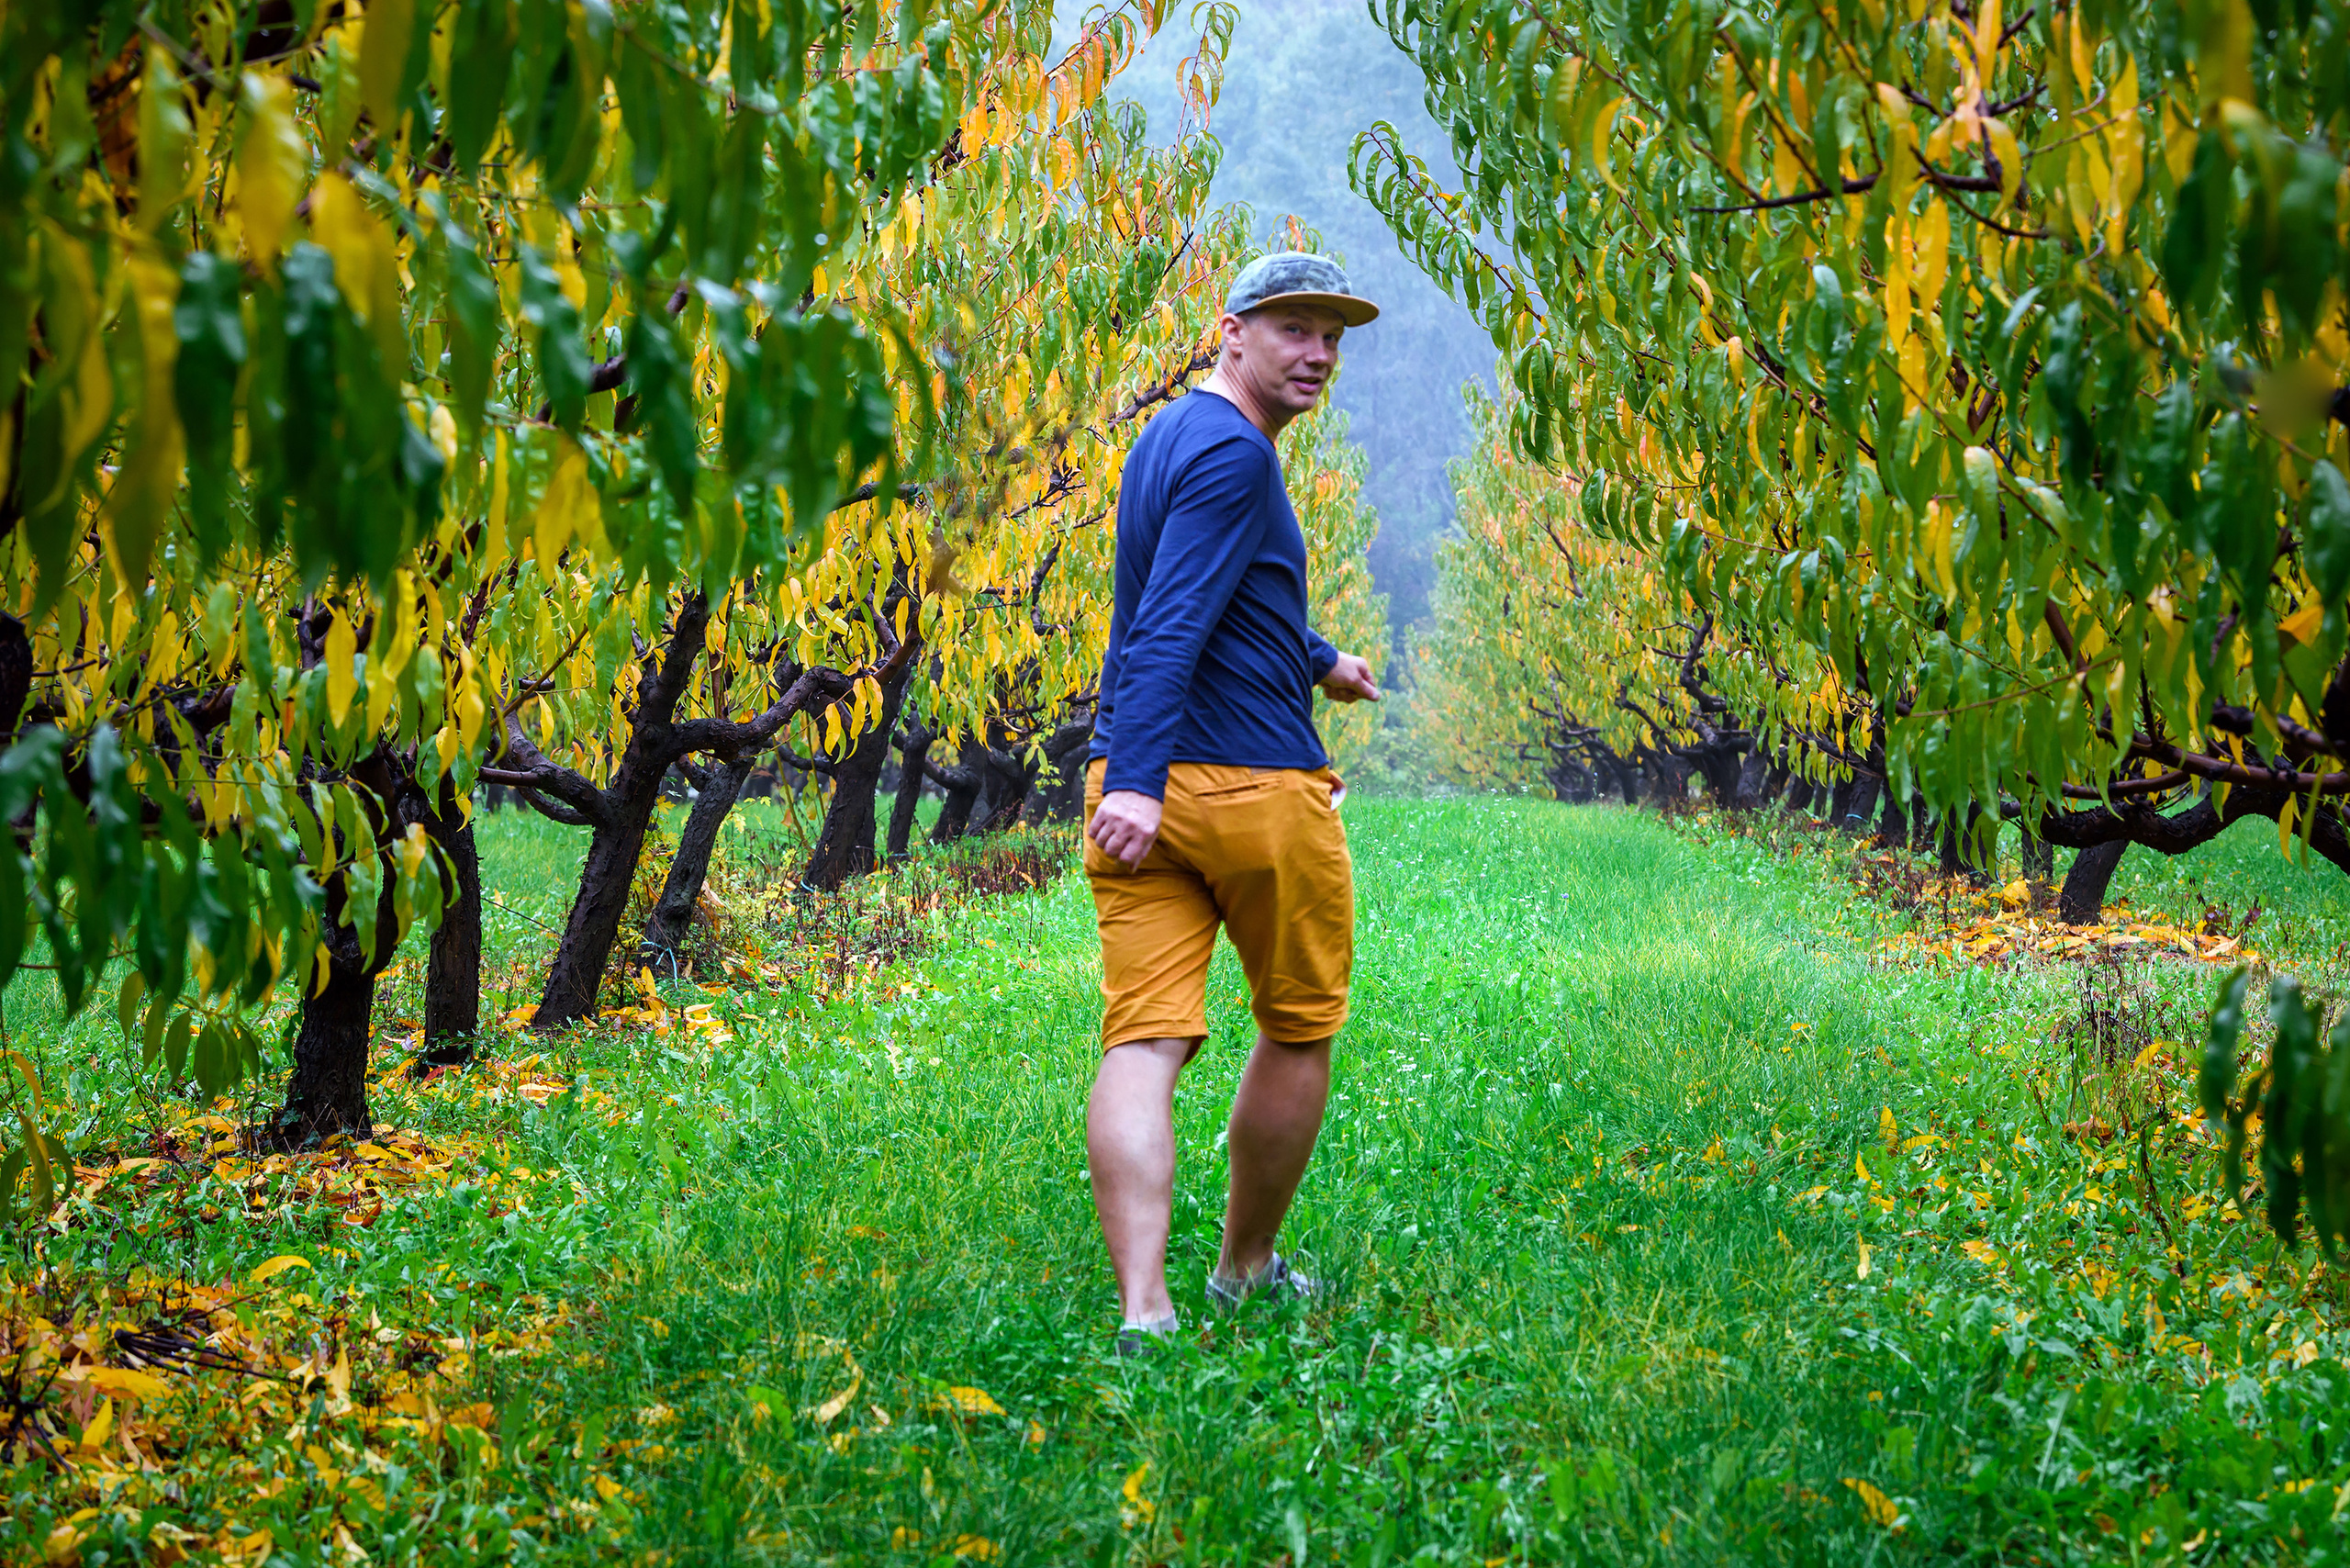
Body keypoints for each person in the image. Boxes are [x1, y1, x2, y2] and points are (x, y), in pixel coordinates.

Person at [1081, 252, 1382, 1356]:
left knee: (1144, 1039)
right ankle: (1244, 1271)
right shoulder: (1239, 455)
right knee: (1298, 1025)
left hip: (1140, 794)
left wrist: (1318, 657)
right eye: (1294, 328)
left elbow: (1218, 591)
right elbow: (1169, 622)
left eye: (1331, 337)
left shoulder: (1170, 436)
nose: (1318, 354)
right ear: (1232, 330)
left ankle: (1143, 1311)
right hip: (1245, 787)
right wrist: (1140, 779)